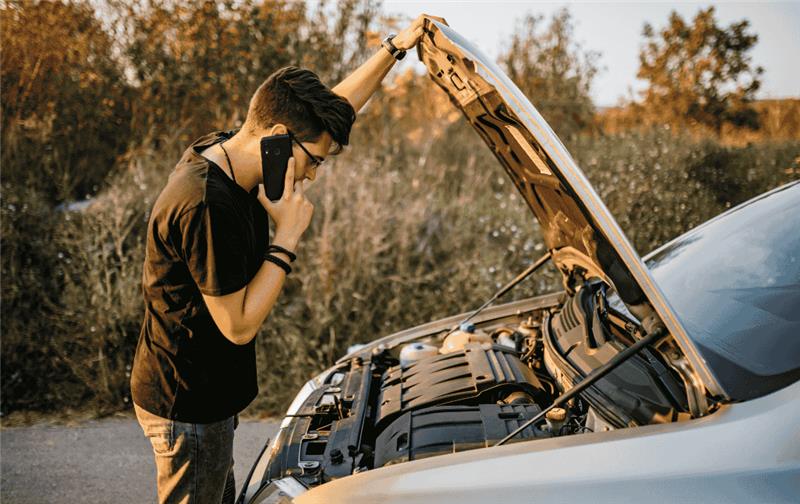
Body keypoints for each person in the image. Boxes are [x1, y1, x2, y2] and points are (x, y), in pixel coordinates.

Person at [129, 16, 427, 504]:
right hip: (188, 403)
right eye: (314, 161)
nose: (312, 176)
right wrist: (287, 236)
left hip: (206, 394)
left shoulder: (233, 152)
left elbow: (334, 110)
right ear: (277, 136)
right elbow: (239, 326)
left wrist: (394, 49)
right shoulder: (207, 205)